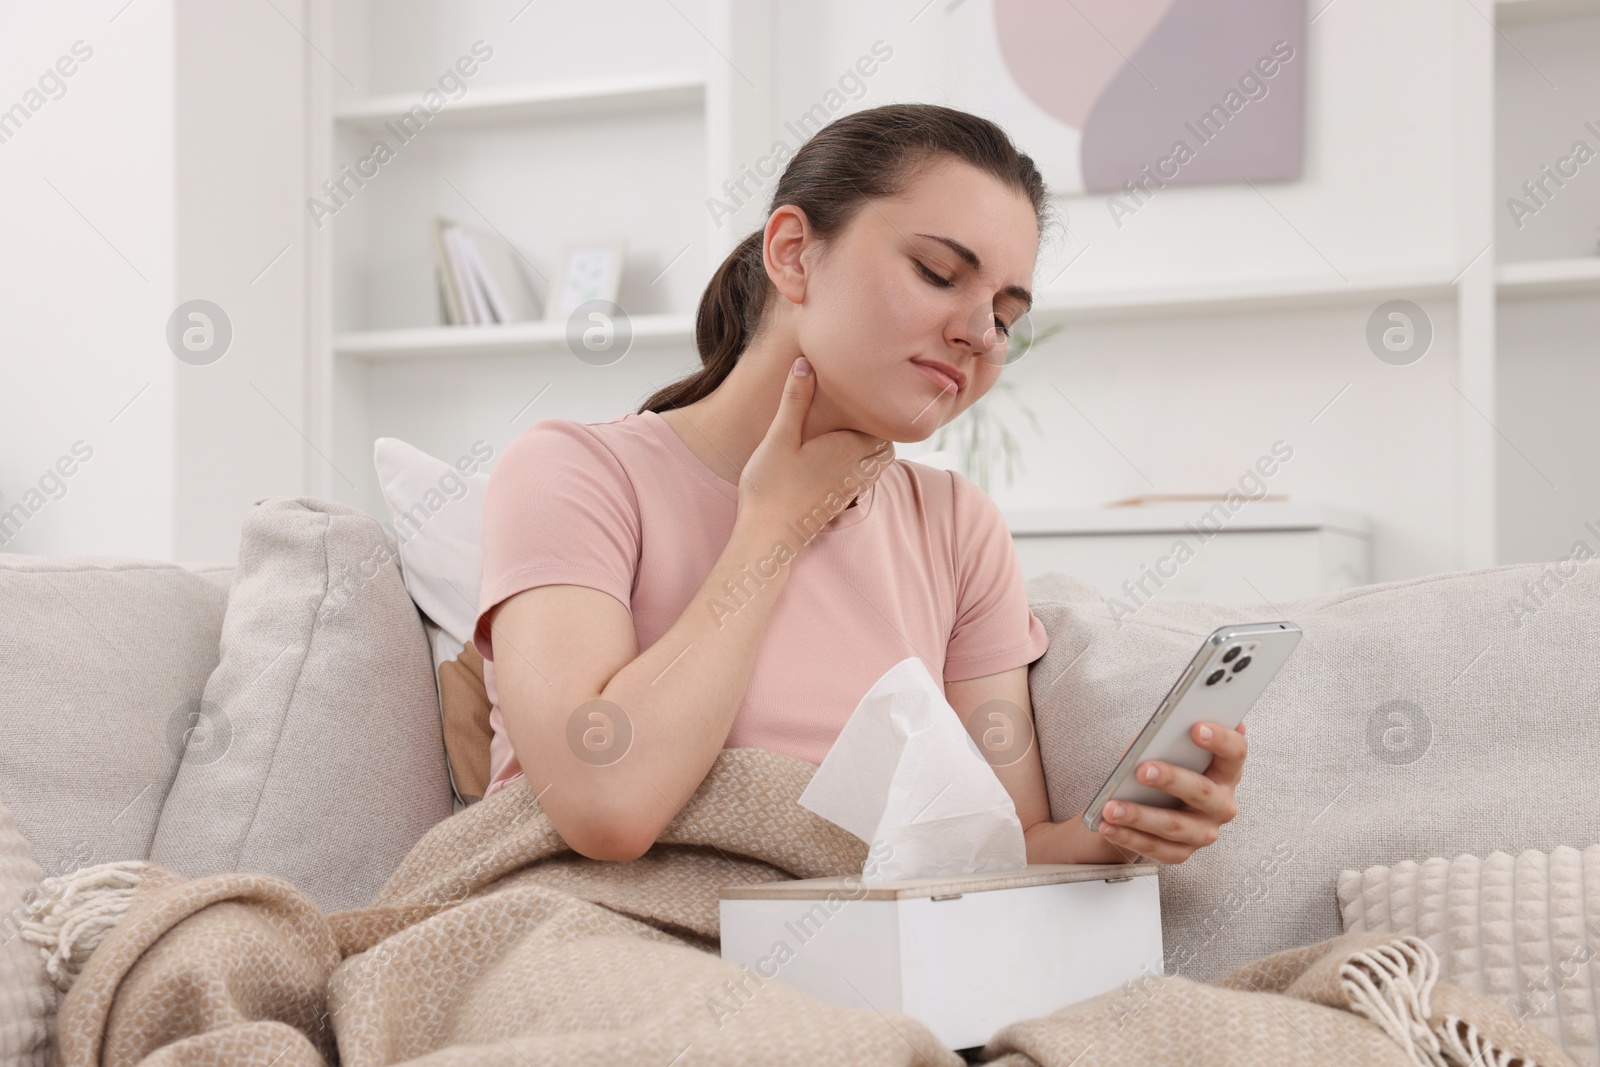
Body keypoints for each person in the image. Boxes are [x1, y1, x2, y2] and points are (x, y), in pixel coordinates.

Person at [471, 103, 1245, 865]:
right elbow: (606, 806)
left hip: (856, 959)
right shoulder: (572, 474)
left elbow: (994, 850)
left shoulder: (957, 528)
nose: (979, 335)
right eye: (939, 273)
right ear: (794, 253)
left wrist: (1111, 831)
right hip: (599, 936)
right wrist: (773, 529)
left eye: (1005, 318)